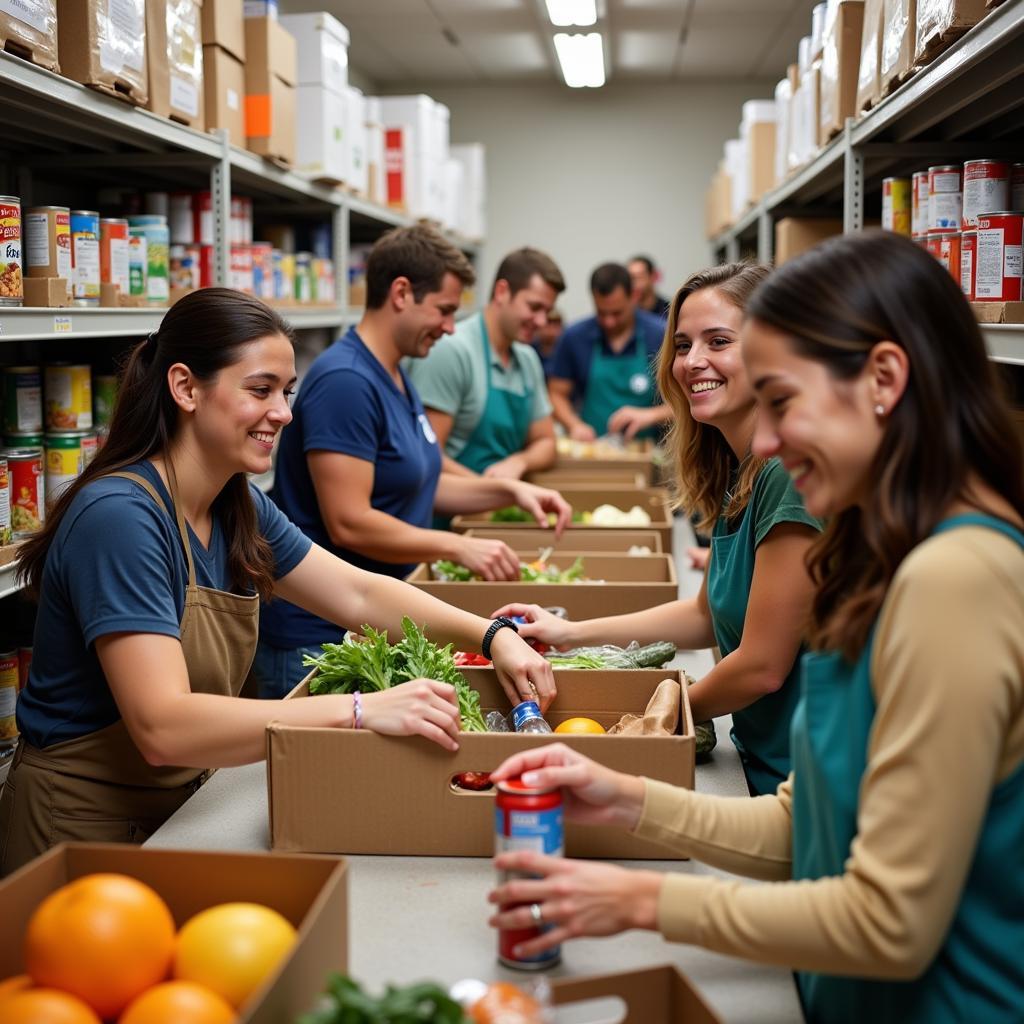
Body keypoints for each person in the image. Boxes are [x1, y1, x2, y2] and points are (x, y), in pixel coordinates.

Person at [488, 231, 1024, 1023]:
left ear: (883, 378)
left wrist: (642, 900)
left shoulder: (957, 579)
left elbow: (891, 922)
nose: (764, 444)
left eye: (783, 402)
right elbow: (803, 822)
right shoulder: (885, 557)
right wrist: (625, 793)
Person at [0, 289, 555, 876]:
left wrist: (494, 635)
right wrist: (361, 710)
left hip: (176, 812)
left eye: (286, 393)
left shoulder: (236, 506)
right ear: (186, 387)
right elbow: (162, 725)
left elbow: (357, 593)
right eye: (260, 390)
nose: (285, 413)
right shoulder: (121, 517)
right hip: (79, 829)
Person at [498, 262, 821, 796]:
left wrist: (651, 711)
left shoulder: (788, 474)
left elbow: (763, 665)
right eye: (683, 344)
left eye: (718, 341)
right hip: (762, 761)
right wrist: (571, 632)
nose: (693, 362)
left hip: (805, 783)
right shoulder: (737, 467)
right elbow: (703, 615)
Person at [258, 227, 571, 698]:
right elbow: (350, 522)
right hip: (317, 636)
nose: (450, 327)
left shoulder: (396, 375)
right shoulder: (346, 381)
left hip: (366, 623)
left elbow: (421, 483)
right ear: (401, 293)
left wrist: (510, 491)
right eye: (444, 310)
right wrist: (455, 546)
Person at [406, 248, 565, 480]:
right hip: (449, 512)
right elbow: (427, 456)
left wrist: (519, 462)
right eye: (534, 307)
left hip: (497, 506)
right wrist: (491, 491)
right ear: (502, 292)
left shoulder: (527, 359)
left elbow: (548, 443)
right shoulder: (452, 350)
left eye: (547, 311)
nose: (542, 321)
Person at [548, 262, 670, 442]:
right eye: (601, 313)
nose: (609, 322)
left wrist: (651, 415)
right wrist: (574, 425)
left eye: (617, 313)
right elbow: (556, 394)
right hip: (595, 452)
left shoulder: (660, 335)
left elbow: (685, 404)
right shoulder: (575, 337)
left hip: (648, 453)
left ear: (634, 296)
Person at [628, 254, 670, 319]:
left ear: (654, 276)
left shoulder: (669, 311)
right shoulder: (626, 313)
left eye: (639, 277)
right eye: (630, 278)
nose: (633, 283)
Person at [531, 308, 563, 379]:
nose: (551, 330)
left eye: (556, 325)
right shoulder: (528, 349)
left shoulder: (566, 352)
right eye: (548, 324)